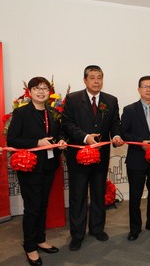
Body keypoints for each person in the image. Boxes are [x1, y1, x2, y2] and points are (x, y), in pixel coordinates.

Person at [62, 65, 123, 251]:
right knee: (78, 195)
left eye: (100, 77)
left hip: (100, 157)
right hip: (78, 156)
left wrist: (116, 136)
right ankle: (77, 234)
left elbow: (115, 123)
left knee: (98, 193)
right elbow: (67, 124)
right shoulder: (73, 99)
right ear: (85, 80)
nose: (97, 81)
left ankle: (97, 229)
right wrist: (85, 137)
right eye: (92, 78)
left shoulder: (111, 100)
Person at [7, 77, 67, 266]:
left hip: (49, 166)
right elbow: (12, 140)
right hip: (30, 167)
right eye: (37, 88)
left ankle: (41, 239)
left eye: (44, 88)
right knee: (32, 207)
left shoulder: (52, 112)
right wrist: (36, 143)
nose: (41, 92)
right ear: (30, 92)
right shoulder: (21, 113)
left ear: (49, 92)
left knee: (42, 205)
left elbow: (57, 135)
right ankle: (30, 246)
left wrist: (61, 142)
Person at [121, 75, 150, 241]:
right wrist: (139, 143)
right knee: (135, 195)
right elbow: (124, 133)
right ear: (139, 89)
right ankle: (135, 228)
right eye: (145, 86)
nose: (149, 89)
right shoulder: (129, 110)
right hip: (136, 159)